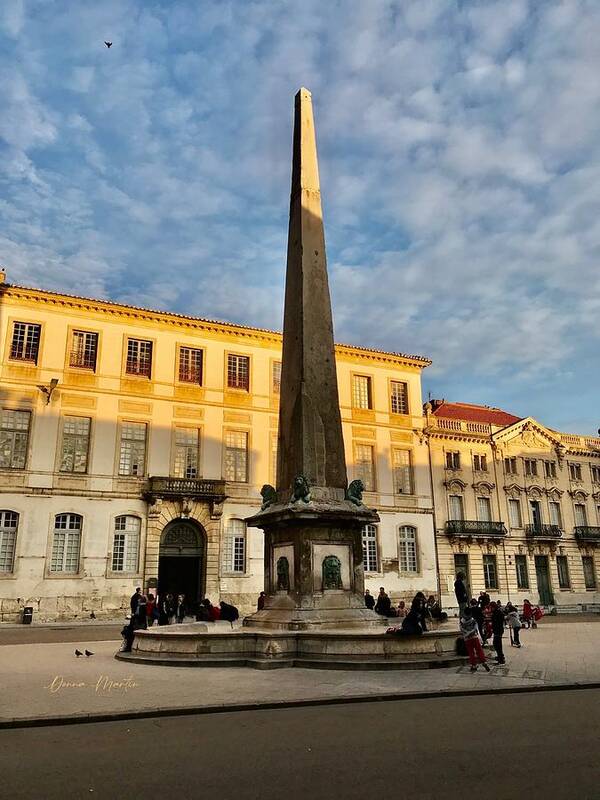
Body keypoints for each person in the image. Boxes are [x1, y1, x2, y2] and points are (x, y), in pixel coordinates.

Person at [460, 606, 490, 673]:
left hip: (467, 638)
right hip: (474, 637)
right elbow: (476, 628)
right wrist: (472, 632)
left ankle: (473, 665)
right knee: (479, 650)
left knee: (471, 652)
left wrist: (467, 633)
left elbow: (462, 629)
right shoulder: (472, 619)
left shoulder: (462, 620)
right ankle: (484, 662)